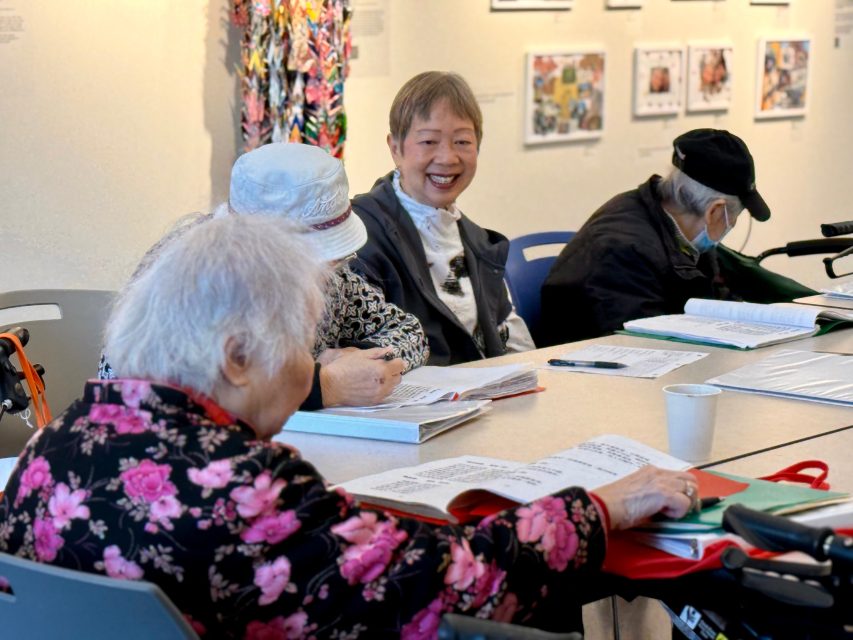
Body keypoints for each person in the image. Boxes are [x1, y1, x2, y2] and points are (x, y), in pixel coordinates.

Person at [1, 215, 699, 638]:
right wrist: (599, 506)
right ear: (239, 357)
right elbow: (446, 588)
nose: (308, 365)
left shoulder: (54, 448)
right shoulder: (247, 493)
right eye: (301, 345)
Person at [101, 142, 429, 409]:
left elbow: (408, 331)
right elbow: (145, 390)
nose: (333, 268)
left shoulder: (333, 274)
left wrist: (360, 357)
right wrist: (321, 385)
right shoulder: (191, 272)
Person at [540, 128, 814, 346]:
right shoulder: (623, 250)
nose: (732, 226)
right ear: (715, 211)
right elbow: (644, 344)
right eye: (735, 216)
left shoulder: (679, 234)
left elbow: (713, 306)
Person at [352, 71, 536, 365]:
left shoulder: (476, 241)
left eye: (462, 142)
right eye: (428, 142)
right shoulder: (361, 237)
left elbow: (511, 338)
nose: (447, 158)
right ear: (395, 148)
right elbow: (366, 357)